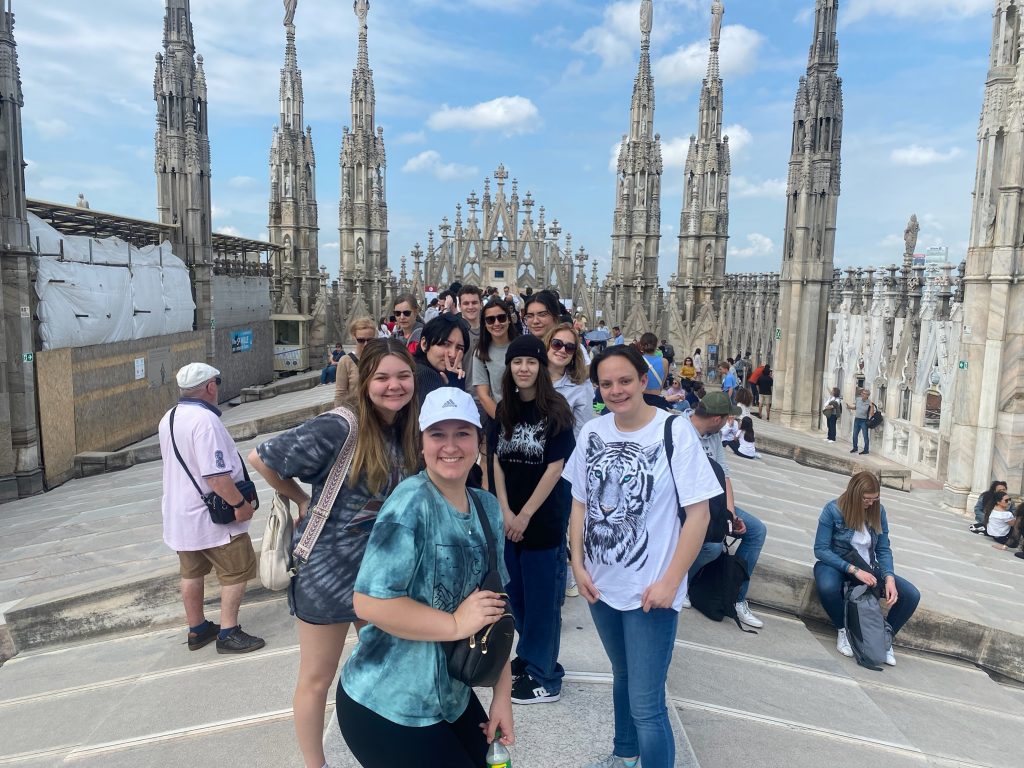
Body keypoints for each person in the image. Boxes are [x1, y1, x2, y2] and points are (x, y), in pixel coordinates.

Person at [249, 339, 421, 768]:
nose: (393, 386)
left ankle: (385, 747)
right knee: (317, 677)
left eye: (403, 376)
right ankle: (315, 764)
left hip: (381, 573)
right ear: (364, 382)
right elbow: (260, 457)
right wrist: (300, 500)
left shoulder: (406, 427)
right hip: (328, 572)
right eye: (382, 377)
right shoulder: (341, 426)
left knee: (386, 668)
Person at [337, 388, 515, 767]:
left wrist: (501, 696)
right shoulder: (410, 503)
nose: (450, 446)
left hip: (451, 697)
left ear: (479, 442)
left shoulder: (486, 508)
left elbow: (495, 610)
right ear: (421, 444)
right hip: (387, 703)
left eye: (462, 433)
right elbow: (368, 602)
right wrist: (454, 622)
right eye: (437, 434)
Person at [564, 346, 720, 768]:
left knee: (648, 705)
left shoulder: (674, 431)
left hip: (651, 589)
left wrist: (671, 581)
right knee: (623, 677)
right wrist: (577, 565)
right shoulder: (593, 432)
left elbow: (699, 514)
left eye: (625, 381)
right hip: (601, 583)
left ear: (644, 379)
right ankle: (624, 754)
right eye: (607, 383)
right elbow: (580, 502)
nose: (616, 391)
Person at [491, 334, 576, 705]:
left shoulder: (556, 410)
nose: (523, 368)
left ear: (541, 367)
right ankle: (529, 657)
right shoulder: (503, 410)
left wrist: (524, 515)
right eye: (516, 362)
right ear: (508, 368)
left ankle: (547, 677)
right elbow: (494, 460)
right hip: (510, 523)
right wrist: (505, 511)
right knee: (517, 598)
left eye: (531, 362)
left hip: (542, 524)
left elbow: (555, 467)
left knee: (543, 602)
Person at [158, 363, 264, 655]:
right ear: (209, 386)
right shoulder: (205, 421)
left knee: (191, 572)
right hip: (212, 516)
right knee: (236, 570)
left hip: (180, 514)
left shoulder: (169, 417)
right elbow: (215, 476)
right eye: (216, 381)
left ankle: (198, 628)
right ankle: (228, 632)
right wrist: (240, 505)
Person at [813, 471, 920, 666]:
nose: (870, 503)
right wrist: (853, 570)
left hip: (868, 567)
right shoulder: (833, 510)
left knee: (911, 595)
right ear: (855, 494)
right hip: (837, 564)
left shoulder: (878, 512)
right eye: (866, 499)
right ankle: (843, 630)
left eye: (875, 499)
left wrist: (889, 578)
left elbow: (883, 548)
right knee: (827, 586)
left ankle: (884, 640)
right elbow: (820, 550)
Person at [682, 392, 767, 627]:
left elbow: (724, 475)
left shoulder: (714, 436)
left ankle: (736, 597)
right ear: (718, 419)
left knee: (757, 530)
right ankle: (682, 582)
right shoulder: (680, 430)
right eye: (728, 418)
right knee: (712, 546)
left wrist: (729, 513)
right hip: (687, 505)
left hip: (715, 503)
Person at [544, 323, 595, 439]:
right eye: (557, 344)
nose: (562, 350)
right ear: (547, 345)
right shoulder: (530, 377)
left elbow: (580, 433)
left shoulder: (579, 388)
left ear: (574, 354)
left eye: (569, 347)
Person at [413, 314, 469, 406]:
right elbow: (452, 417)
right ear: (424, 344)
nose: (453, 354)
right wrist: (455, 388)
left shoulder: (414, 368)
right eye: (445, 344)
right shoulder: (427, 375)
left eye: (459, 348)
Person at [335, 317, 376, 407]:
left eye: (370, 340)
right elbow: (340, 394)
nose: (366, 344)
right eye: (361, 340)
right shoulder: (345, 361)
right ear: (354, 336)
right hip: (357, 411)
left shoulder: (379, 357)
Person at [847, 388, 875, 455]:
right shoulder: (858, 399)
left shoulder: (869, 402)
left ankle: (866, 450)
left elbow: (872, 414)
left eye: (864, 393)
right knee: (854, 435)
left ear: (867, 395)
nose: (862, 394)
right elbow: (856, 407)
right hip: (857, 419)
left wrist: (872, 407)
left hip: (864, 421)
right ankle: (855, 448)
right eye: (862, 393)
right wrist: (849, 407)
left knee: (865, 436)